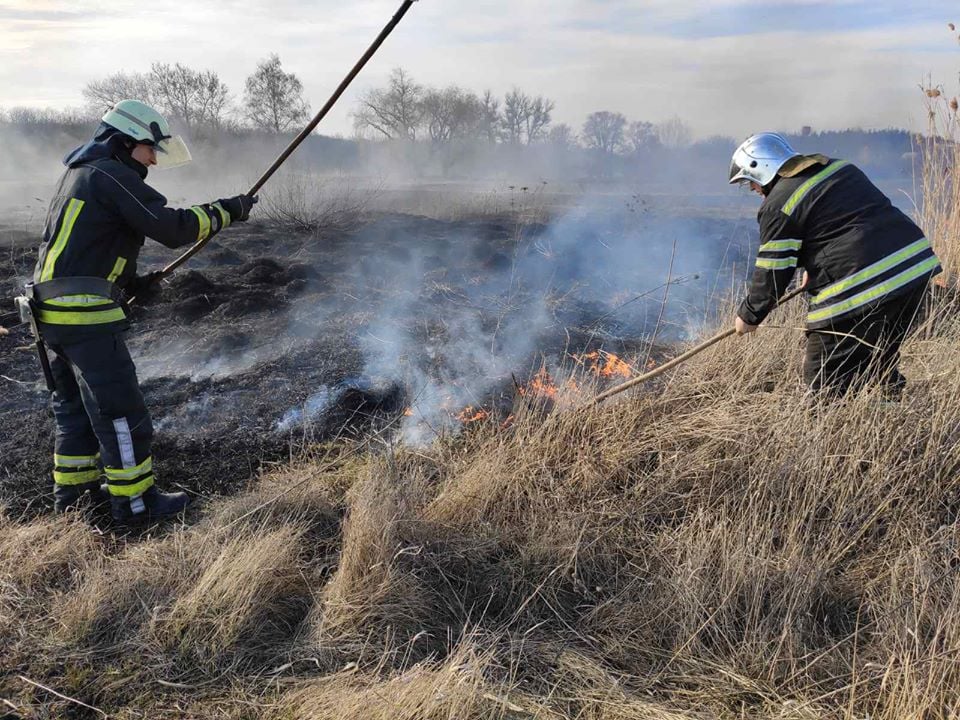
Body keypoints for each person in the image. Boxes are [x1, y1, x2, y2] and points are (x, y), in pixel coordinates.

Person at [28, 99, 257, 521]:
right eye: (150, 149)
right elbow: (171, 228)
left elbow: (89, 244)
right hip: (83, 317)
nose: (153, 160)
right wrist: (228, 210)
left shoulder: (81, 175)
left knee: (75, 412)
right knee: (122, 414)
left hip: (51, 315)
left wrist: (130, 284)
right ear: (124, 141)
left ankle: (75, 503)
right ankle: (137, 508)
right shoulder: (111, 174)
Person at [729, 132, 940, 397]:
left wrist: (750, 315)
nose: (752, 189)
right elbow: (841, 221)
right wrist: (811, 267)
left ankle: (834, 433)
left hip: (862, 283)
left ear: (760, 167)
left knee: (824, 379)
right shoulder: (840, 168)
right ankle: (888, 418)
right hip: (912, 272)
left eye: (750, 181)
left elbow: (773, 271)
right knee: (878, 363)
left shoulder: (778, 204)